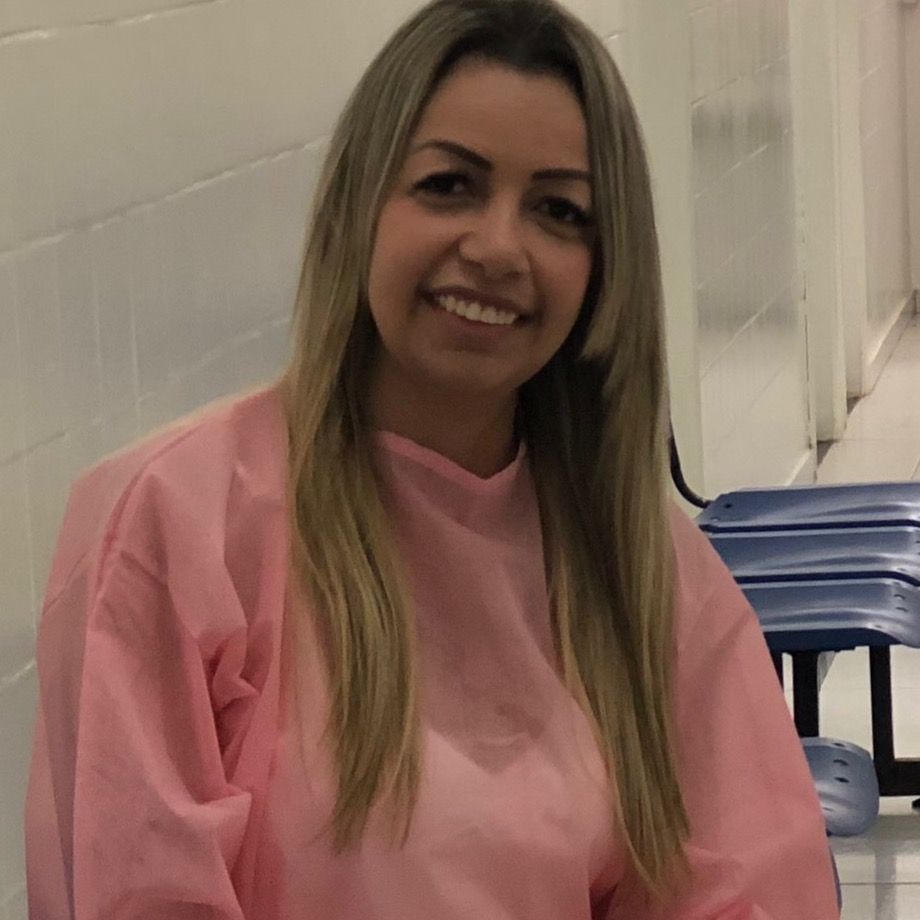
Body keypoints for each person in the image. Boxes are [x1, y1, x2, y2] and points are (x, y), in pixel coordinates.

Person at [25, 0, 840, 917]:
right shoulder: (174, 525)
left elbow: (748, 888)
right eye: (449, 185)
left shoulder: (644, 569)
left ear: (604, 264)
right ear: (360, 203)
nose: (497, 248)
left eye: (559, 210)